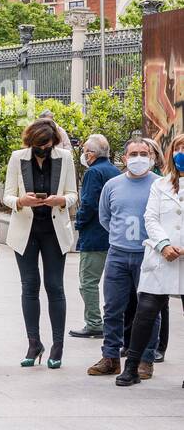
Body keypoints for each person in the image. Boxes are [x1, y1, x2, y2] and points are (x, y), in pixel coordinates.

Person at [2, 117, 78, 368]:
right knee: (29, 285)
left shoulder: (65, 158)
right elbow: (7, 196)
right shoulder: (18, 157)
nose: (42, 150)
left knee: (55, 286)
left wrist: (62, 200)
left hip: (55, 230)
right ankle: (34, 343)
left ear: (54, 142)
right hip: (26, 230)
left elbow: (73, 194)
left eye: (46, 145)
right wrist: (21, 201)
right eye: (37, 145)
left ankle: (58, 345)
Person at [90, 138, 163, 377]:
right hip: (118, 255)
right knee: (112, 308)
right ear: (124, 158)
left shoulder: (160, 185)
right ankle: (110, 357)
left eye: (144, 153)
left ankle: (145, 359)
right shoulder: (112, 185)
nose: (139, 158)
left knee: (149, 310)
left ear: (152, 158)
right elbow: (105, 218)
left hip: (149, 256)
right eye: (134, 154)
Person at [117, 133, 184, 386]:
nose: (181, 153)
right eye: (178, 148)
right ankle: (132, 367)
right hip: (161, 257)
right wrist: (164, 244)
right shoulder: (160, 185)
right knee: (144, 313)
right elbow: (150, 219)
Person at [70, 134, 118, 339]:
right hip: (113, 235)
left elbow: (89, 203)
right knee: (113, 282)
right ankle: (114, 321)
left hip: (94, 234)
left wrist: (79, 223)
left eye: (84, 151)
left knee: (88, 281)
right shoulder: (115, 171)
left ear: (91, 154)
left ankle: (94, 323)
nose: (83, 155)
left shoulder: (93, 173)